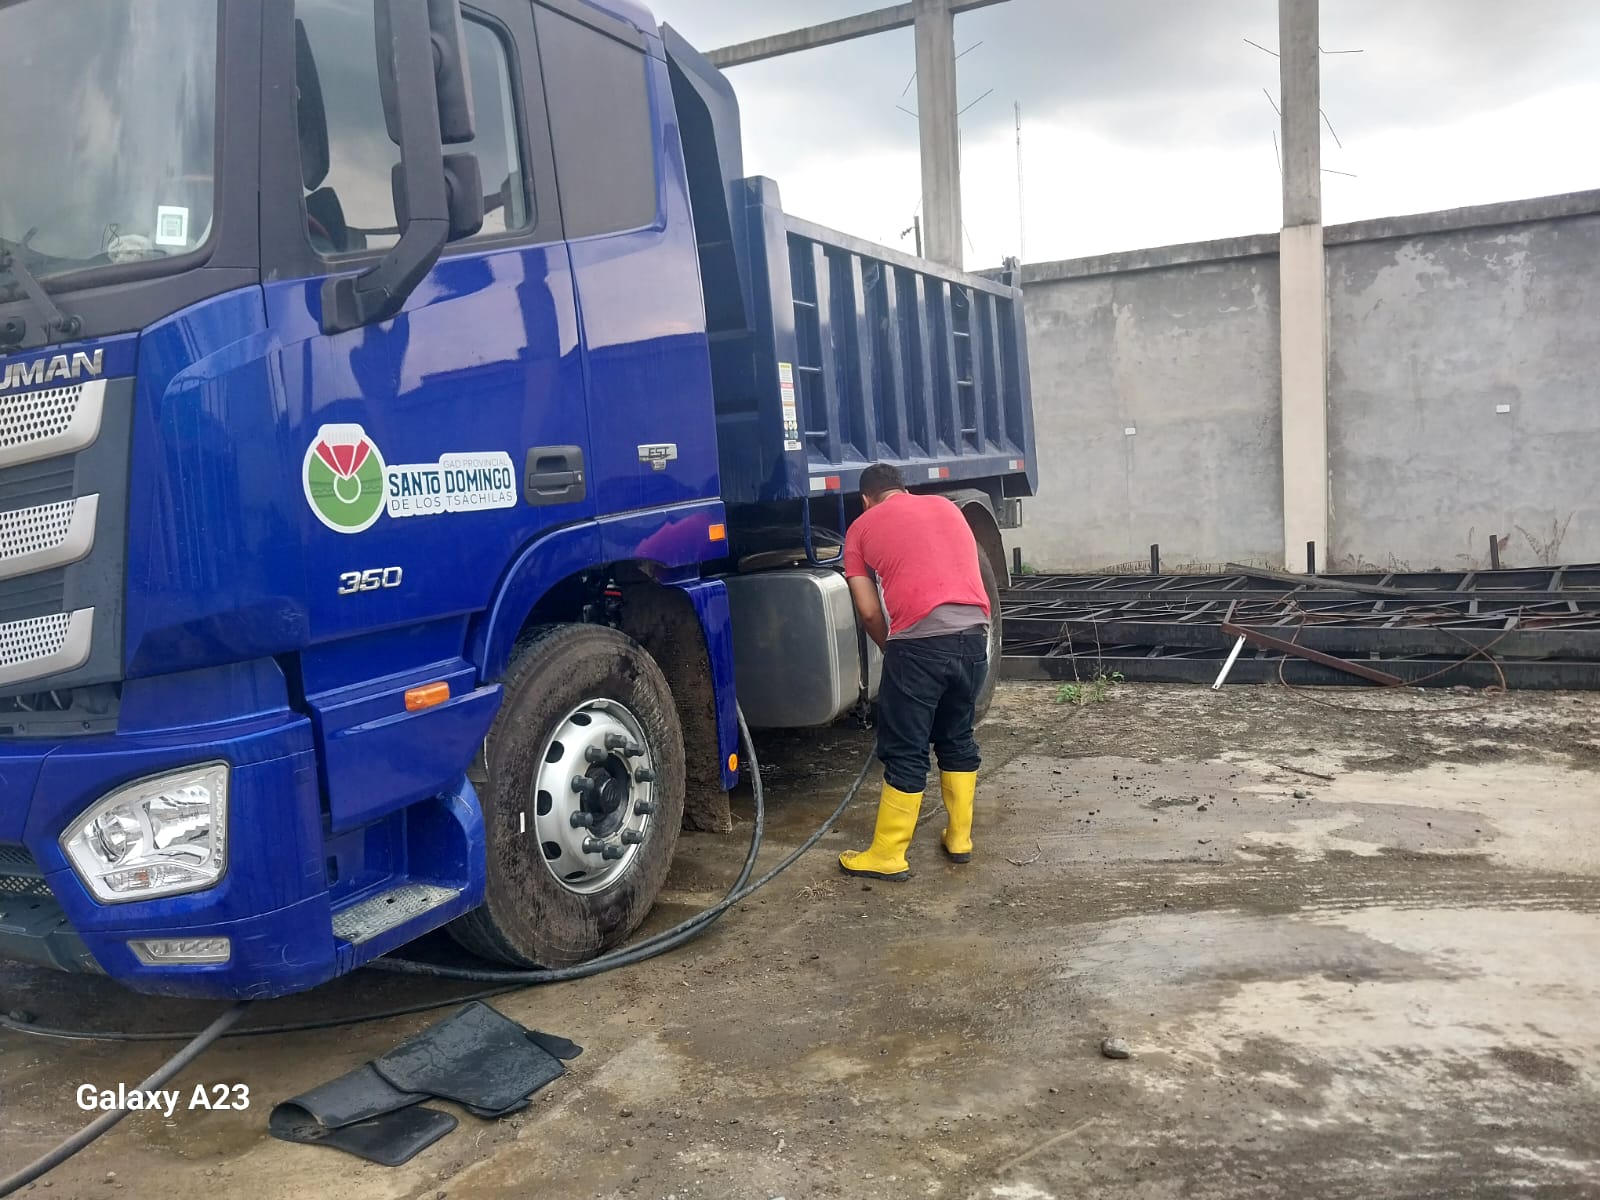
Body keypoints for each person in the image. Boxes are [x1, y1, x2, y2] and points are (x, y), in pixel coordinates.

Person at [838, 463, 992, 881]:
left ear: (865, 499)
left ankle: (888, 854)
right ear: (904, 489)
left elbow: (869, 611)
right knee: (956, 735)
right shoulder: (948, 508)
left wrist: (891, 648)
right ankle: (959, 838)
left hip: (919, 643)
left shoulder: (861, 528)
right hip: (974, 637)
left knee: (906, 747)